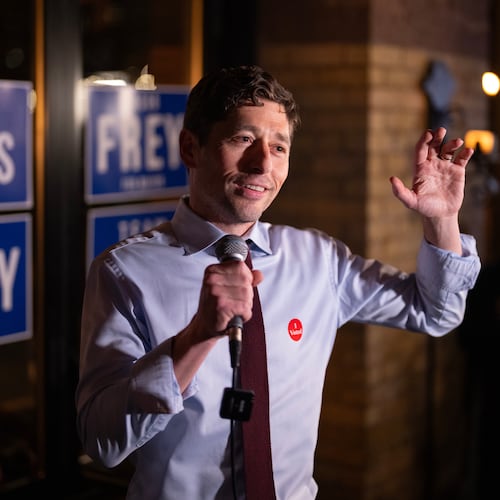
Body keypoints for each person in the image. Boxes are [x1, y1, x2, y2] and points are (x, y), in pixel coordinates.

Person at [75, 65, 481, 500]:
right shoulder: (124, 271)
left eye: (279, 146)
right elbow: (103, 443)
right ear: (190, 148)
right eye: (243, 139)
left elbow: (436, 312)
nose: (263, 163)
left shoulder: (318, 260)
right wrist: (195, 338)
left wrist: (442, 222)